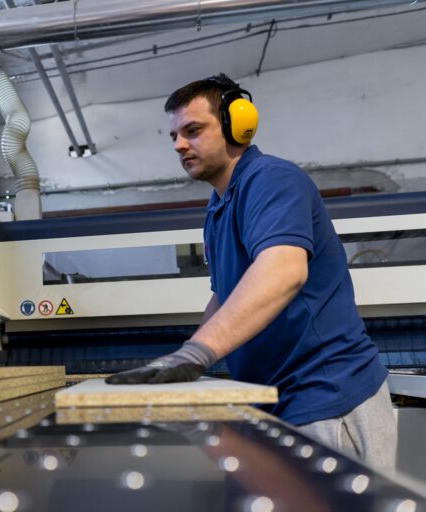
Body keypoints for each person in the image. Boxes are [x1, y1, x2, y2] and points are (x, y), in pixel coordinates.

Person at [105, 74, 397, 470]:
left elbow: (284, 271)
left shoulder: (271, 180)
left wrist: (197, 353)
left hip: (327, 396)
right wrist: (180, 361)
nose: (178, 145)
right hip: (278, 400)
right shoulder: (218, 207)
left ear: (237, 125)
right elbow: (225, 295)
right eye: (174, 136)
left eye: (193, 130)